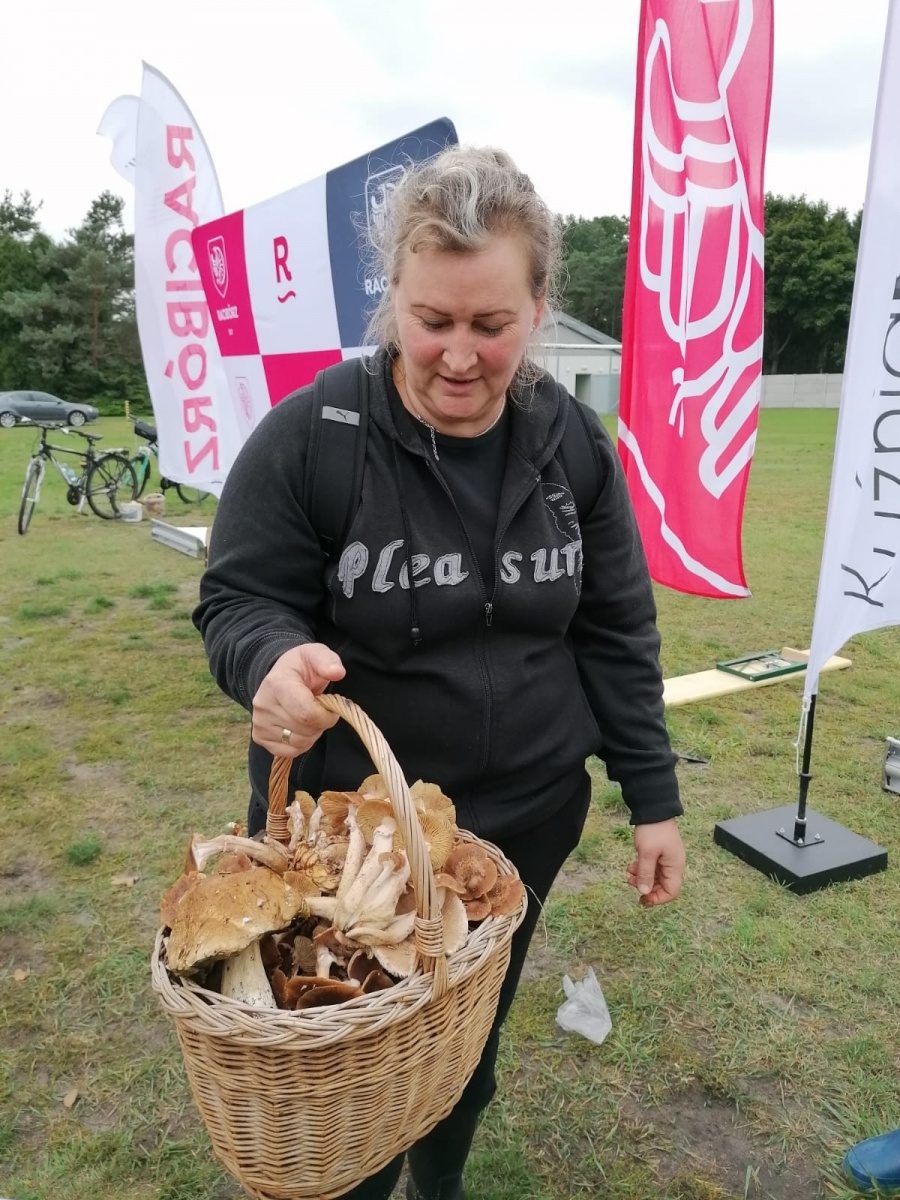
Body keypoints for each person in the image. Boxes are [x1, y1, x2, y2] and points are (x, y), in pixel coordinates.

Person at [193, 144, 686, 1200]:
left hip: (521, 826)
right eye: (433, 320)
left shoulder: (572, 444)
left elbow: (614, 627)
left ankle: (442, 1185)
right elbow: (236, 599)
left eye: (491, 325)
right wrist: (269, 662)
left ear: (540, 306)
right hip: (348, 849)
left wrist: (655, 798)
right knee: (348, 1063)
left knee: (466, 1042)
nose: (458, 356)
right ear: (394, 301)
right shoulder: (314, 437)